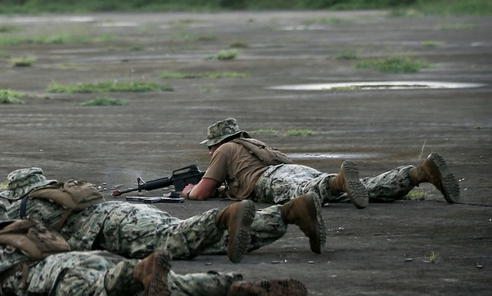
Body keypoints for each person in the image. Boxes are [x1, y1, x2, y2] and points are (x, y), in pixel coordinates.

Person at [0, 203, 308, 296]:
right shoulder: (34, 233)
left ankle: (139, 271)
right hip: (92, 258)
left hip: (61, 279)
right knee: (174, 286)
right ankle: (235, 288)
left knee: (103, 291)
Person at [0, 166, 327, 259]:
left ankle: (223, 215)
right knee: (204, 242)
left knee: (179, 244)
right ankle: (291, 213)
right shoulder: (59, 191)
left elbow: (0, 239)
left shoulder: (28, 207)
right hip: (124, 212)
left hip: (116, 230)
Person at [182, 118, 461, 207]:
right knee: (354, 190)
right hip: (293, 170)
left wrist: (187, 191)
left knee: (304, 195)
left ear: (218, 141)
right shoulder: (249, 144)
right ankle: (417, 174)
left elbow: (202, 192)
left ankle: (337, 181)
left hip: (270, 180)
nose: (210, 152)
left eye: (210, 146)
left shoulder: (225, 149)